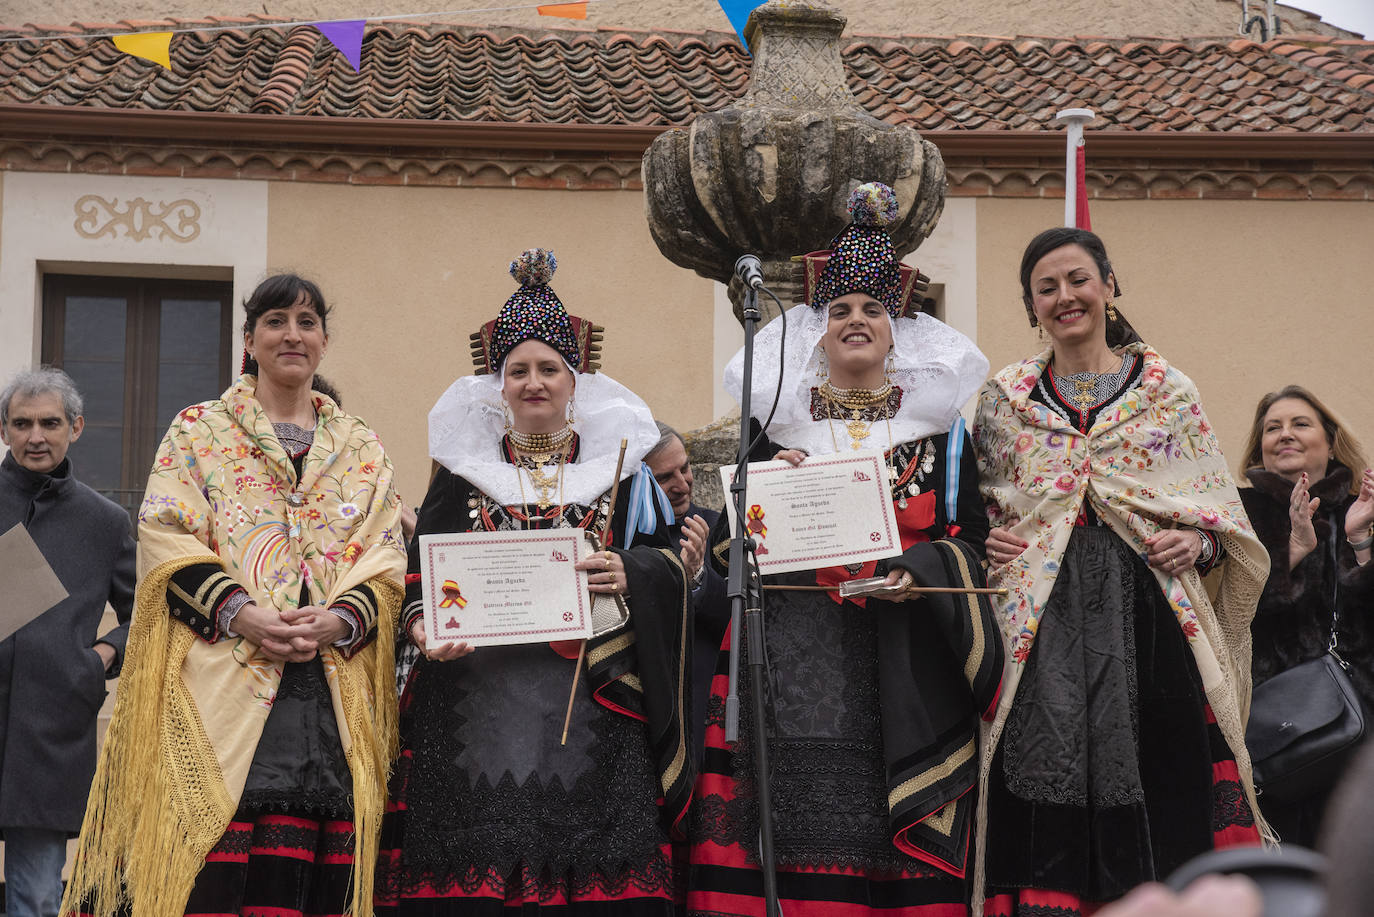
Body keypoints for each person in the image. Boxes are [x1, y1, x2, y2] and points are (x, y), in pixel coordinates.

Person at [687, 183, 1003, 916]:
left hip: (905, 662)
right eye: (839, 311)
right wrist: (769, 493)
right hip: (791, 663)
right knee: (792, 843)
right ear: (816, 332)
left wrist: (917, 574)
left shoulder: (942, 438)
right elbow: (740, 551)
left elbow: (971, 544)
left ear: (900, 332)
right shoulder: (775, 431)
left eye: (872, 310)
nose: (855, 320)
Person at [62, 274, 407, 917]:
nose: (292, 335)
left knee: (317, 881)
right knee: (212, 878)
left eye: (307, 322)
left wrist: (339, 620)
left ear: (325, 342)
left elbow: (385, 552)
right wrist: (243, 614)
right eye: (275, 321)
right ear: (249, 339)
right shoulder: (199, 430)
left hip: (332, 694)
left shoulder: (361, 444)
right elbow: (166, 534)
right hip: (221, 682)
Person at [374, 249, 692, 915]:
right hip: (472, 708)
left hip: (592, 710)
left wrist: (627, 571)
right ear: (499, 385)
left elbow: (669, 568)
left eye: (549, 368)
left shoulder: (623, 477)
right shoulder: (460, 476)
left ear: (575, 381)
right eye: (517, 370)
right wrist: (422, 624)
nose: (533, 382)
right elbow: (417, 575)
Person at [974, 227, 1271, 917]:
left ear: (1109, 285)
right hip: (1040, 629)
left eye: (1078, 279)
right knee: (1037, 781)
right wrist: (987, 541)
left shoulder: (1169, 392)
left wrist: (1197, 545)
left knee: (1161, 778)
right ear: (1031, 307)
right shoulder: (1003, 399)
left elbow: (1219, 515)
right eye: (1046, 288)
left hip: (1148, 621)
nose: (1065, 296)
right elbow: (984, 504)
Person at [0, 368, 134, 917]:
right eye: (22, 423)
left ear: (75, 428)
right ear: (4, 430)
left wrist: (96, 660)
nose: (37, 436)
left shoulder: (106, 521)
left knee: (35, 894)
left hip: (52, 730)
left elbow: (142, 620)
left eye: (50, 423)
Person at [1237, 385, 1374, 845]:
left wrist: (1360, 542)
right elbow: (1223, 614)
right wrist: (1289, 555)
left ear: (1330, 441)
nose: (1284, 435)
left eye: (1300, 423)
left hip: (1359, 729)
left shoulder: (1359, 510)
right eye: (1272, 427)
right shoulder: (1235, 515)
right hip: (1273, 732)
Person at [644, 421, 726, 770]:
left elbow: (735, 618)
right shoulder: (622, 539)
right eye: (665, 478)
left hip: (705, 702)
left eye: (685, 468)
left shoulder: (717, 525)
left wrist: (697, 576)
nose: (682, 485)